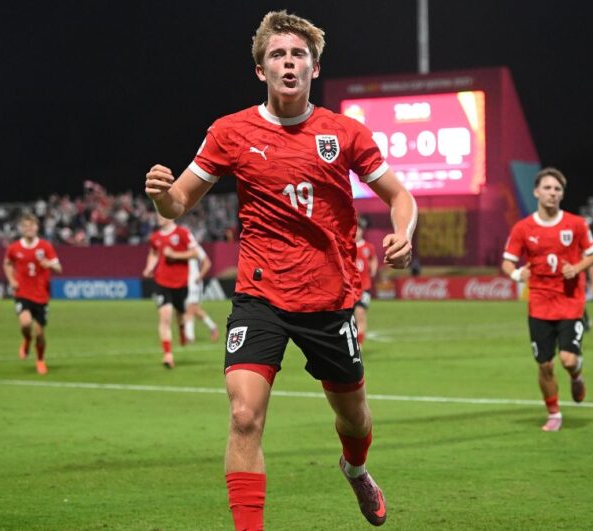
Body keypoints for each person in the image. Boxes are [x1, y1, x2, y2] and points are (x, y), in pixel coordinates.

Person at [144, 10, 416, 529]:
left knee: (353, 418)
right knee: (244, 415)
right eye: (277, 55)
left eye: (298, 55)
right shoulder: (230, 132)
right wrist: (161, 198)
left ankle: (355, 469)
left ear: (313, 68)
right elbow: (180, 200)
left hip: (330, 299)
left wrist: (404, 231)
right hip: (260, 296)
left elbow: (399, 195)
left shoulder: (344, 133)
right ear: (260, 69)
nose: (288, 63)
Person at [502, 167, 593, 432]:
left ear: (562, 194)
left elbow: (592, 255)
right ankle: (554, 413)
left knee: (567, 359)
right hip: (539, 306)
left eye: (557, 189)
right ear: (536, 192)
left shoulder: (577, 224)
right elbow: (508, 263)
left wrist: (577, 269)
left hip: (570, 303)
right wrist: (518, 274)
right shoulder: (523, 228)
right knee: (545, 365)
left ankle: (576, 375)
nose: (552, 193)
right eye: (547, 188)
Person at [3, 214, 62, 375]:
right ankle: (27, 340)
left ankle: (40, 360)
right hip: (22, 293)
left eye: (32, 225)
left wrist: (48, 263)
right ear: (21, 228)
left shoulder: (45, 246)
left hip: (41, 295)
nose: (29, 228)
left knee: (40, 333)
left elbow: (59, 268)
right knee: (25, 323)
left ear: (37, 227)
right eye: (26, 226)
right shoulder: (14, 248)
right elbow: (7, 263)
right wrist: (11, 280)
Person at [143, 213, 201, 368]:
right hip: (161, 282)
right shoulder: (155, 237)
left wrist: (175, 254)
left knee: (180, 314)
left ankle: (182, 329)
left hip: (181, 284)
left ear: (172, 215)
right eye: (158, 214)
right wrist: (149, 267)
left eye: (163, 214)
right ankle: (168, 355)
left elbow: (196, 253)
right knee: (165, 317)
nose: (159, 217)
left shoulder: (183, 233)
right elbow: (154, 253)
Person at [184, 245, 220, 343]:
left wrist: (199, 276)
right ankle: (213, 327)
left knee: (190, 308)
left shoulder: (194, 247)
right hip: (185, 282)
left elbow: (207, 263)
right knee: (194, 309)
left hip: (194, 282)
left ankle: (189, 337)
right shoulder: (181, 248)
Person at [354, 219, 379, 347]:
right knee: (347, 319)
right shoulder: (346, 246)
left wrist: (374, 269)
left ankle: (359, 347)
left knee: (360, 314)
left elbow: (373, 259)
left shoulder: (368, 247)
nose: (357, 232)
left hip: (364, 287)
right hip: (348, 289)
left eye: (359, 229)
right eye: (355, 229)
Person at [582, 264, 593, 331]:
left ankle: (586, 321)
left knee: (579, 303)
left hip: (579, 281)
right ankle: (586, 321)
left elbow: (591, 265)